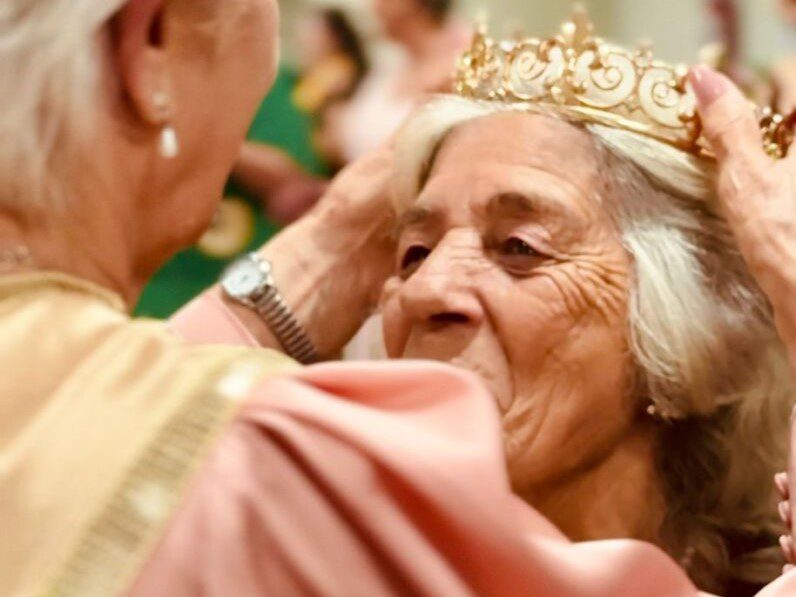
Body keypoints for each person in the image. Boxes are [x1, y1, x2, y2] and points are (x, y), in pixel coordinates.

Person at [2, 3, 796, 597]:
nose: (426, 290)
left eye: (520, 248)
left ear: (700, 333)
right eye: (410, 250)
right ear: (150, 41)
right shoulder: (307, 504)